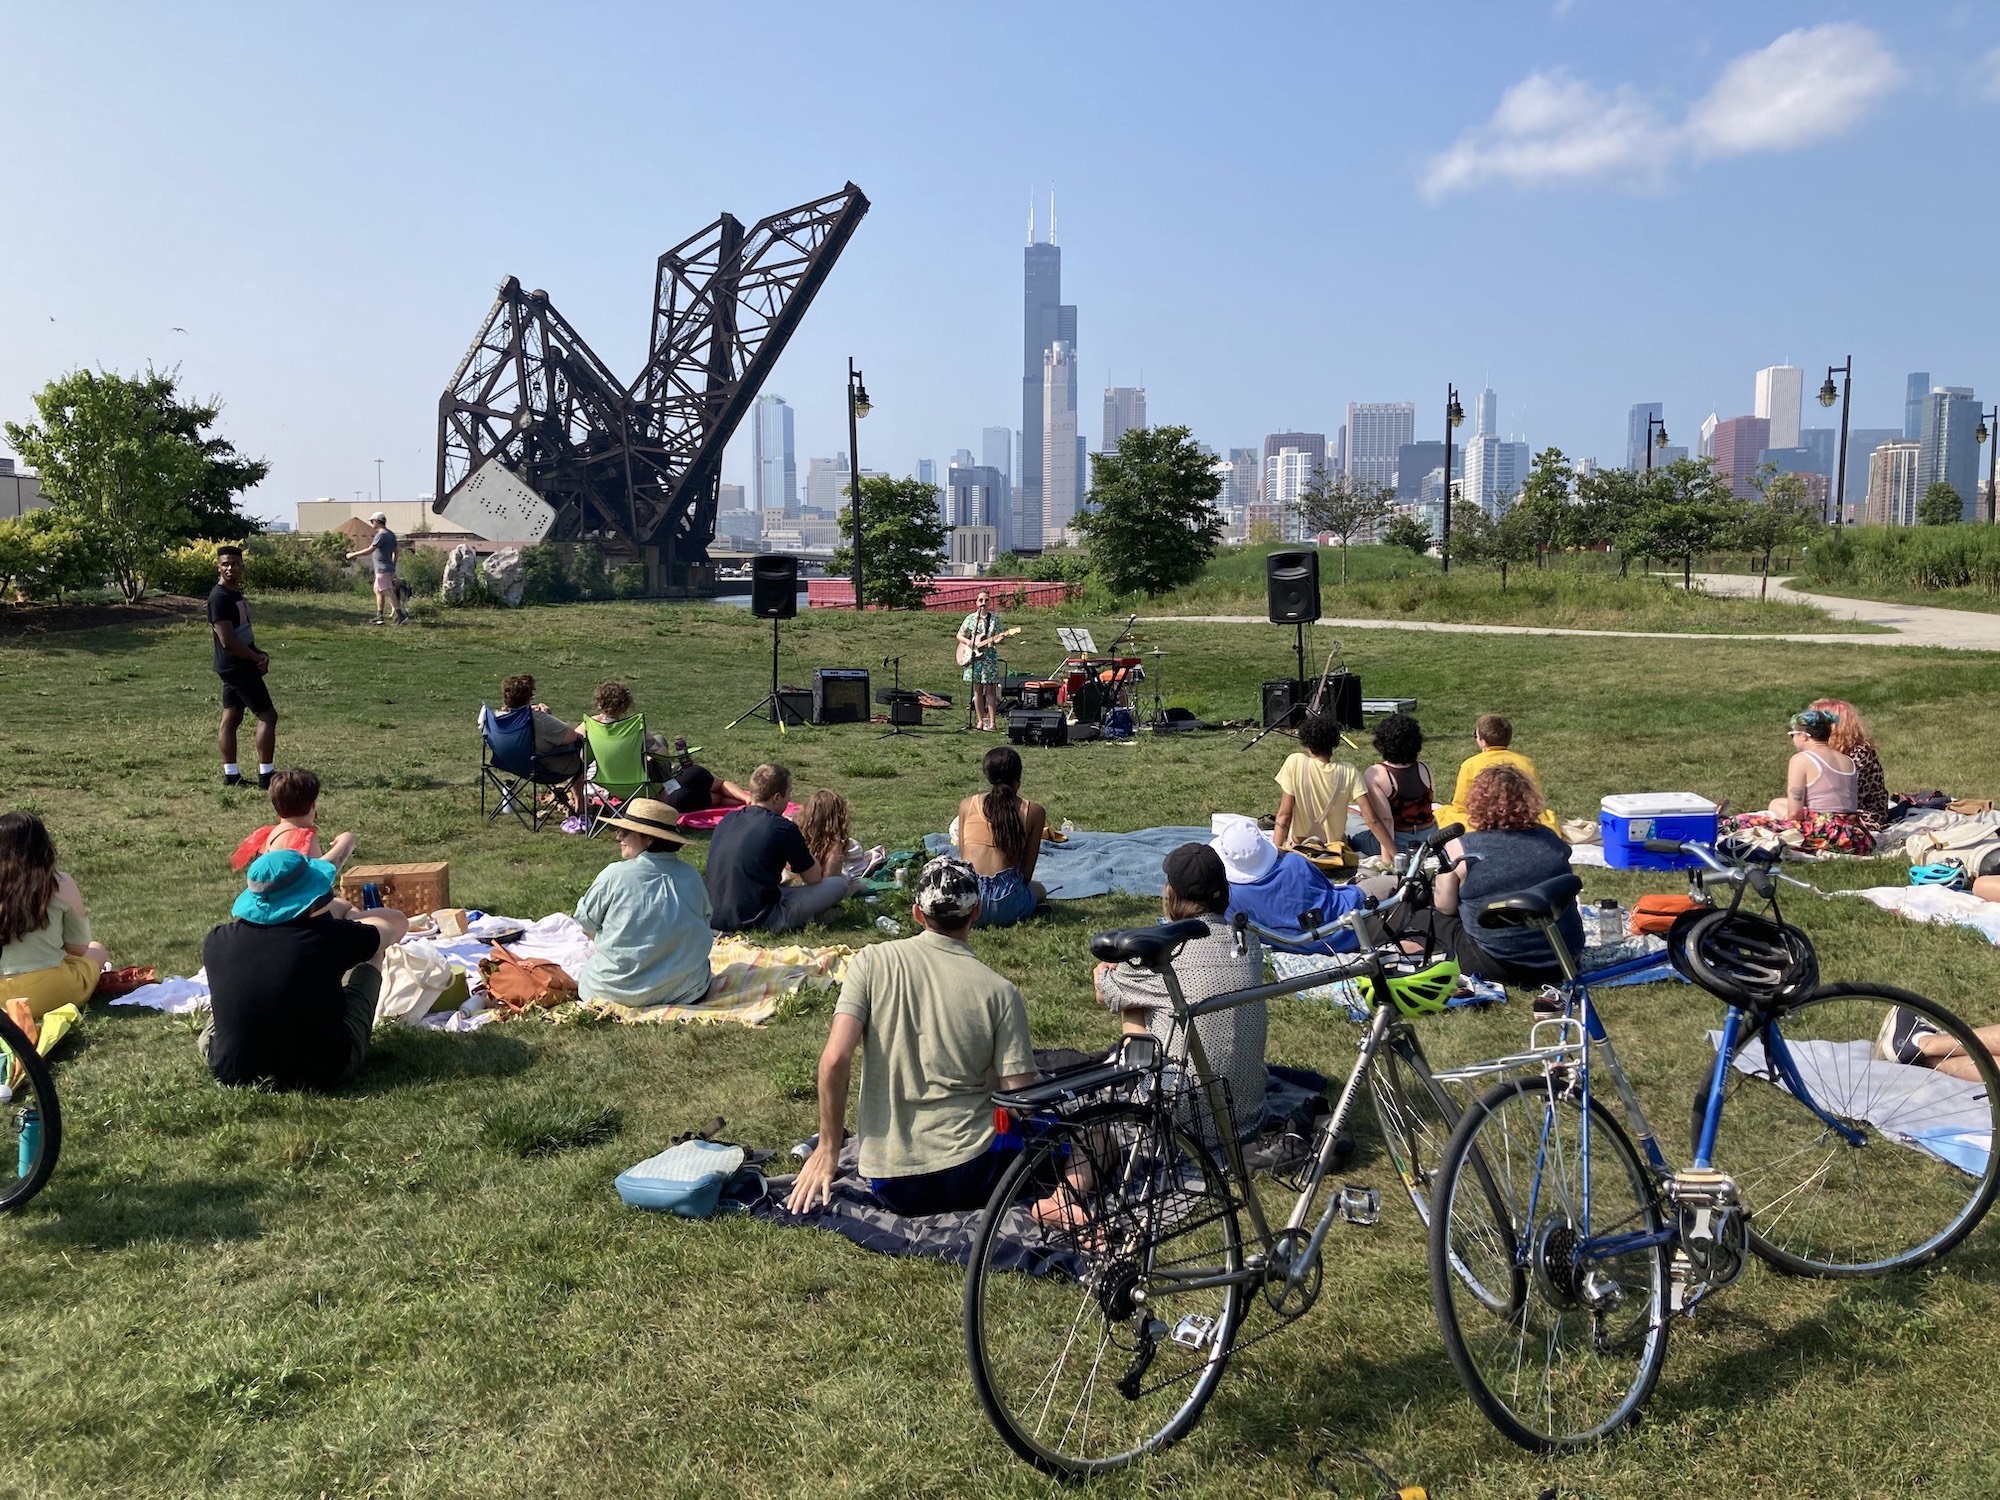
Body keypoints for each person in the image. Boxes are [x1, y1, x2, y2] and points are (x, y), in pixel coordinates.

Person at [786, 857, 1036, 1215]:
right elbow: (1023, 1098)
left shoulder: (870, 962)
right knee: (1085, 1140)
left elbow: (834, 1060)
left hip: (892, 1182)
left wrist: (828, 1149)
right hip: (975, 1170)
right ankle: (1064, 1206)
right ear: (977, 912)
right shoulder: (1000, 992)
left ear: (918, 913)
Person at [1095, 843, 1267, 1139]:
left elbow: (1105, 993)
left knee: (1132, 1002)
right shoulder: (1248, 945)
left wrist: (1101, 973)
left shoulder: (1155, 953)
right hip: (1247, 1117)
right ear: (1224, 892)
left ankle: (1139, 1083)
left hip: (1178, 1122)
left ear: (1170, 893)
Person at [200, 849, 409, 1090]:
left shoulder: (217, 939)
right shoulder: (326, 938)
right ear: (310, 903)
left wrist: (339, 914)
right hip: (319, 1071)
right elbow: (392, 926)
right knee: (373, 953)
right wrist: (352, 917)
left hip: (230, 1068)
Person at [1428, 766, 1584, 985]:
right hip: (1565, 959)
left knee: (1431, 917)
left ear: (1475, 802)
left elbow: (1445, 906)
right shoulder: (1550, 839)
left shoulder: (1460, 848)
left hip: (1500, 964)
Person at [574, 799, 713, 1009]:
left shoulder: (614, 875)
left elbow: (587, 924)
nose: (618, 836)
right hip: (684, 990)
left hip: (613, 991)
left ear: (649, 838)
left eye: (626, 831)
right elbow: (705, 919)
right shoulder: (691, 876)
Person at [705, 764, 855, 933]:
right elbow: (814, 878)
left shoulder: (728, 819)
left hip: (713, 916)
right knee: (838, 884)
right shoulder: (782, 828)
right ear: (777, 797)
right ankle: (813, 916)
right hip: (759, 920)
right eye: (789, 793)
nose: (789, 798)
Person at [1212, 819, 1391, 956]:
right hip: (1356, 922)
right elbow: (1329, 891)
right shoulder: (1294, 862)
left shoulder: (1232, 899)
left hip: (1307, 944)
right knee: (1397, 882)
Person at [1719, 708, 1875, 856]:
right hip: (1856, 836)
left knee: (1746, 822)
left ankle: (1721, 822)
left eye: (1792, 734)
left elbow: (1795, 813)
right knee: (1776, 803)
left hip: (1825, 833)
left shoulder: (1801, 760)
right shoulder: (1847, 760)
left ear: (1804, 735)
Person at [0, 812, 111, 1019]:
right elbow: (78, 949)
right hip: (51, 991)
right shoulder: (60, 883)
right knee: (97, 949)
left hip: (2, 1006)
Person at [1273, 712, 1395, 857]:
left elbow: (1284, 814)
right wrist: (1395, 854)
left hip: (1300, 849)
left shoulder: (1295, 762)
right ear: (1334, 743)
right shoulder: (1349, 771)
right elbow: (1372, 819)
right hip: (1334, 851)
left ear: (1307, 742)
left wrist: (1275, 853)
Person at [955, 746, 1047, 927]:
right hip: (1009, 899)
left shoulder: (967, 805)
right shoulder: (1034, 812)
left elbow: (964, 860)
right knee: (1039, 889)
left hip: (970, 904)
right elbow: (1026, 874)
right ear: (1018, 777)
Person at [210, 545, 277, 790]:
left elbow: (243, 635)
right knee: (268, 716)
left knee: (232, 716)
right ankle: (266, 776)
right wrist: (253, 658)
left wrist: (259, 653)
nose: (230, 568)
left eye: (235, 563)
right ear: (218, 566)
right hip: (236, 665)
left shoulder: (235, 595)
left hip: (237, 663)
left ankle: (231, 776)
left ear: (242, 566)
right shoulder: (219, 598)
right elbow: (228, 641)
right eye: (225, 564)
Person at [1432, 714, 1558, 834]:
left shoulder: (1470, 764)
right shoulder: (1526, 762)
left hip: (1484, 819)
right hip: (1520, 817)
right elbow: (1533, 799)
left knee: (1442, 813)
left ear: (1482, 740)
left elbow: (1461, 805)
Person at [487, 673, 586, 814]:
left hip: (513, 766)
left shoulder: (495, 718)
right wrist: (547, 715)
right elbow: (571, 737)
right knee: (584, 737)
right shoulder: (539, 720)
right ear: (529, 697)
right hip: (545, 770)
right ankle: (580, 803)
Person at [1349, 711, 1438, 858]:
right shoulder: (1424, 768)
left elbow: (1386, 820)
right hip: (1430, 838)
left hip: (1399, 842)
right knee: (1357, 817)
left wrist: (1389, 857)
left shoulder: (1376, 773)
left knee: (1349, 825)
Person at [231, 768, 356, 872]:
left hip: (265, 900)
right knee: (341, 903)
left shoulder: (267, 836)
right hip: (291, 901)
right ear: (313, 805)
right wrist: (346, 843)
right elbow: (319, 877)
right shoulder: (302, 837)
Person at [1811, 697, 1892, 832]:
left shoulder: (1860, 753)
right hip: (1833, 812)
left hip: (1861, 817)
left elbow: (1843, 796)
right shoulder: (1829, 752)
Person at [345, 511, 408, 626]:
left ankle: (400, 615)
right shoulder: (391, 534)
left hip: (382, 568)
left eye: (372, 521)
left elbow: (370, 549)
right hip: (387, 567)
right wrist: (393, 564)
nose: (371, 524)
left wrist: (353, 554)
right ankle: (380, 616)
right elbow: (396, 551)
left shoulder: (381, 535)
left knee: (386, 590)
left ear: (376, 521)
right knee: (378, 590)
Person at [957, 588, 1006, 732]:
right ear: (976, 602)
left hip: (989, 658)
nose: (983, 603)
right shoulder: (971, 618)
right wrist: (968, 642)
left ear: (990, 602)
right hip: (975, 659)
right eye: (981, 600)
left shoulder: (994, 619)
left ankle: (992, 722)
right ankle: (979, 721)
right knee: (977, 690)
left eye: (986, 600)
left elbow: (996, 639)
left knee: (990, 690)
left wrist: (1000, 639)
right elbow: (959, 635)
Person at [795, 789, 856, 883]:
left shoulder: (799, 835)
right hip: (819, 889)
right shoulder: (834, 849)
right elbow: (830, 886)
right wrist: (857, 888)